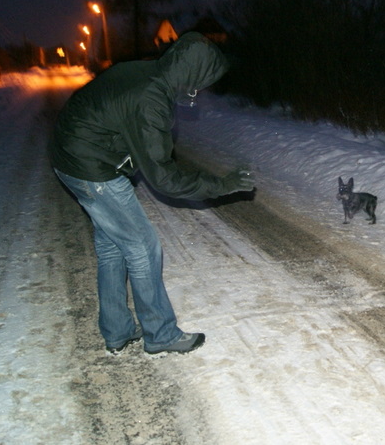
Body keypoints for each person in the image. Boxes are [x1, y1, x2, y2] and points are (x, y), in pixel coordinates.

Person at [51, 32, 255, 356]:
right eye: (203, 81)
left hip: (72, 155)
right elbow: (163, 178)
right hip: (91, 167)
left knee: (112, 246)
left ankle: (117, 331)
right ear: (192, 74)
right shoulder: (151, 98)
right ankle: (160, 334)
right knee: (143, 246)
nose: (202, 90)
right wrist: (223, 185)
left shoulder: (148, 73)